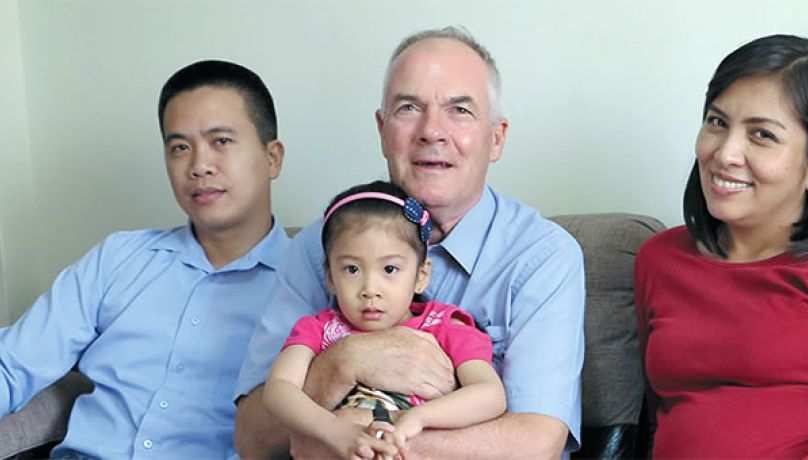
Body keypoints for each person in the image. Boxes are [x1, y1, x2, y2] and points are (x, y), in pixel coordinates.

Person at [234, 26, 586, 460]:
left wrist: (360, 445)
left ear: (496, 138)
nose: (431, 131)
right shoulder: (319, 245)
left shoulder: (543, 256)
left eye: (459, 109)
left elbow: (536, 443)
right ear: (383, 130)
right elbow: (252, 438)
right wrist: (346, 361)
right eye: (408, 108)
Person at [635, 34, 808, 458]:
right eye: (717, 122)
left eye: (762, 135)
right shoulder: (659, 259)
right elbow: (660, 417)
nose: (726, 153)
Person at [0, 59, 288, 458]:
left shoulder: (308, 283)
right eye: (180, 148)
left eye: (221, 141)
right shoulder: (119, 259)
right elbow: (13, 364)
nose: (199, 166)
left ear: (272, 157)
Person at [263, 180, 506, 460]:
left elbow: (490, 394)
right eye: (351, 269)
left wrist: (418, 418)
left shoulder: (446, 326)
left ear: (421, 275)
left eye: (390, 268)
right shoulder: (317, 329)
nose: (370, 289)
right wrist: (336, 432)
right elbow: (279, 391)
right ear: (330, 276)